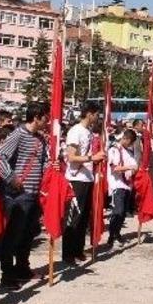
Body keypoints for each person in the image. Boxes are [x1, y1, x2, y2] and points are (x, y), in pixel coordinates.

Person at [0, 101, 50, 289]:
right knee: (12, 236)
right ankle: (7, 275)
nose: (47, 121)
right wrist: (11, 177)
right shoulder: (18, 134)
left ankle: (22, 268)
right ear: (36, 117)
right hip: (19, 194)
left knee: (28, 235)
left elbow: (44, 162)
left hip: (35, 193)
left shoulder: (41, 139)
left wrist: (51, 170)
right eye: (45, 117)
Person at [63, 101, 105, 266]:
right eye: (96, 114)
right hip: (76, 179)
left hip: (87, 178)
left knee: (84, 217)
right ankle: (68, 254)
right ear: (89, 113)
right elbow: (71, 157)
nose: (97, 117)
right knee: (74, 217)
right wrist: (91, 158)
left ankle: (78, 250)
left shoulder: (88, 131)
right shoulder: (75, 131)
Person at [107, 129, 137, 247]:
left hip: (126, 185)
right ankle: (111, 235)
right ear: (127, 139)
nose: (130, 145)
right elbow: (115, 168)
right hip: (116, 184)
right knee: (118, 211)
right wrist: (129, 167)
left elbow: (134, 165)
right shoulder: (114, 149)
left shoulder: (127, 152)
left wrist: (132, 168)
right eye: (130, 142)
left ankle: (117, 233)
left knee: (123, 212)